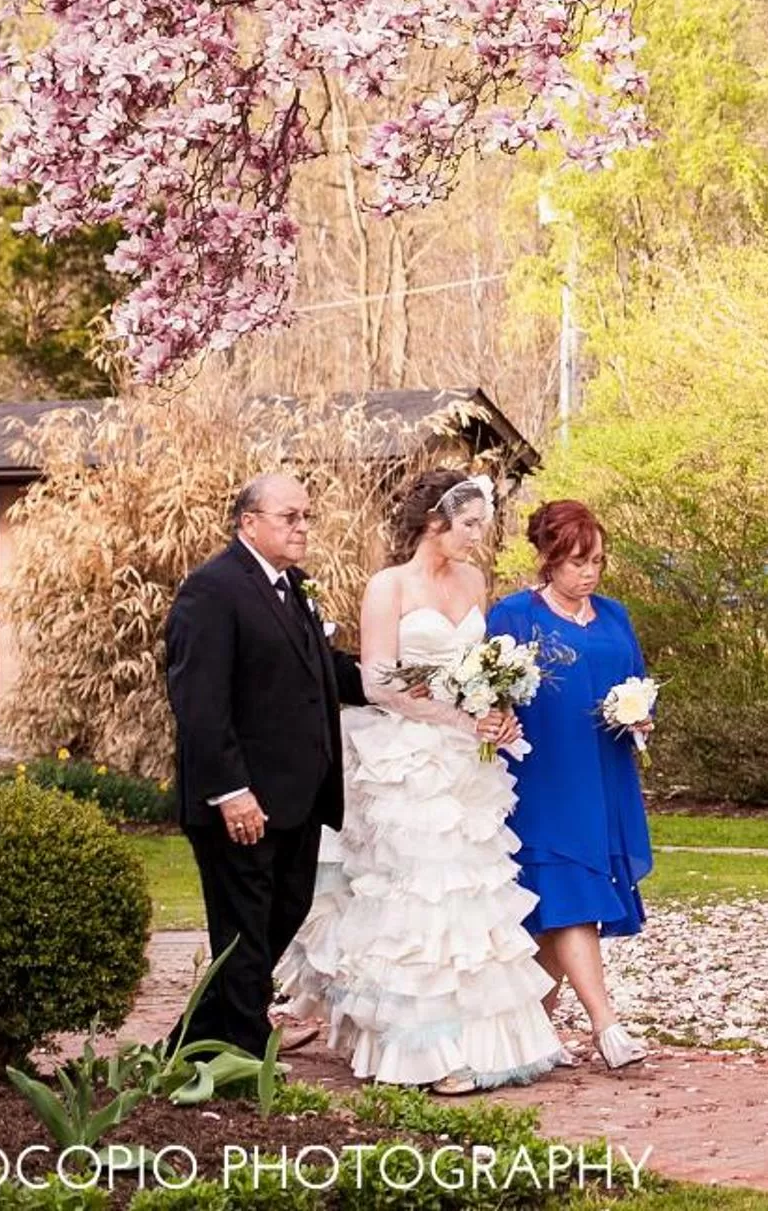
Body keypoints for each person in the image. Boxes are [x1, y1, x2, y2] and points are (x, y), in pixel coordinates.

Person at [273, 468, 566, 1094]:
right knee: (418, 893)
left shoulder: (473, 581)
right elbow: (379, 680)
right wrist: (460, 707)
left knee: (471, 889)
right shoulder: (389, 586)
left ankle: (483, 1037)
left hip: (467, 760)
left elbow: (480, 666)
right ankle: (424, 1050)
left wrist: (497, 704)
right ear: (435, 521)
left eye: (481, 527)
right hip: (406, 755)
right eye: (468, 526)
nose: (475, 539)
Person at [165, 473, 371, 1056]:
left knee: (280, 914)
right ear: (248, 522)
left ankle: (193, 1045)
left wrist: (394, 679)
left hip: (298, 797)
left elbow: (318, 668)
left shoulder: (294, 585)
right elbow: (199, 702)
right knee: (243, 931)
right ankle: (247, 1057)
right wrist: (231, 791)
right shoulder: (212, 590)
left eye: (307, 516)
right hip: (244, 799)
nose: (303, 526)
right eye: (290, 517)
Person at [488, 499, 654, 1071]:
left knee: (550, 914)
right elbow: (491, 693)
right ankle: (607, 1027)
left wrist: (638, 716)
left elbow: (637, 681)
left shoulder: (614, 616)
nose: (589, 573)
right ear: (548, 559)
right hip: (543, 777)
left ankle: (528, 1034)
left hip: (603, 772)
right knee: (568, 894)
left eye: (598, 562)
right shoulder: (513, 616)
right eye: (578, 561)